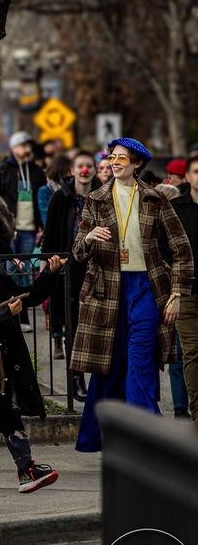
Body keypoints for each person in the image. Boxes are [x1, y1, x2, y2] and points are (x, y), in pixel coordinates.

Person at [72, 137, 194, 452]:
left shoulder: (155, 199)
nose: (114, 162)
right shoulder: (96, 199)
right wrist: (89, 238)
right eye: (112, 157)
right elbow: (77, 251)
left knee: (140, 360)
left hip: (146, 288)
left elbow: (182, 250)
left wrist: (177, 293)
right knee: (111, 365)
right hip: (107, 290)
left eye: (121, 158)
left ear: (136, 163)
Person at [0, 227, 61, 493]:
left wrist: (49, 273)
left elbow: (29, 296)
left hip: (5, 365)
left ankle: (26, 468)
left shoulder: (1, 281)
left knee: (10, 415)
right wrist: (4, 315)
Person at [41, 151, 99, 398]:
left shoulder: (102, 197)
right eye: (80, 166)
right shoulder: (60, 198)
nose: (84, 170)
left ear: (94, 169)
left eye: (89, 166)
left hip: (97, 268)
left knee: (96, 325)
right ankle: (76, 378)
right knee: (72, 325)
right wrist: (49, 264)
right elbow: (51, 233)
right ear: (72, 171)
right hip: (68, 268)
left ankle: (99, 381)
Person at [0, 131, 48, 331]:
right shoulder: (2, 170)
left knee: (24, 271)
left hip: (29, 229)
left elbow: (41, 198)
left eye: (28, 146)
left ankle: (23, 317)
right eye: (22, 146)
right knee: (9, 270)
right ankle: (10, 315)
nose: (26, 150)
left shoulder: (36, 171)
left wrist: (41, 226)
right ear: (14, 147)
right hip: (9, 229)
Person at [170, 156, 198, 420]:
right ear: (187, 177)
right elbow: (165, 249)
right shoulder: (176, 208)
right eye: (197, 172)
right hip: (187, 291)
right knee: (190, 353)